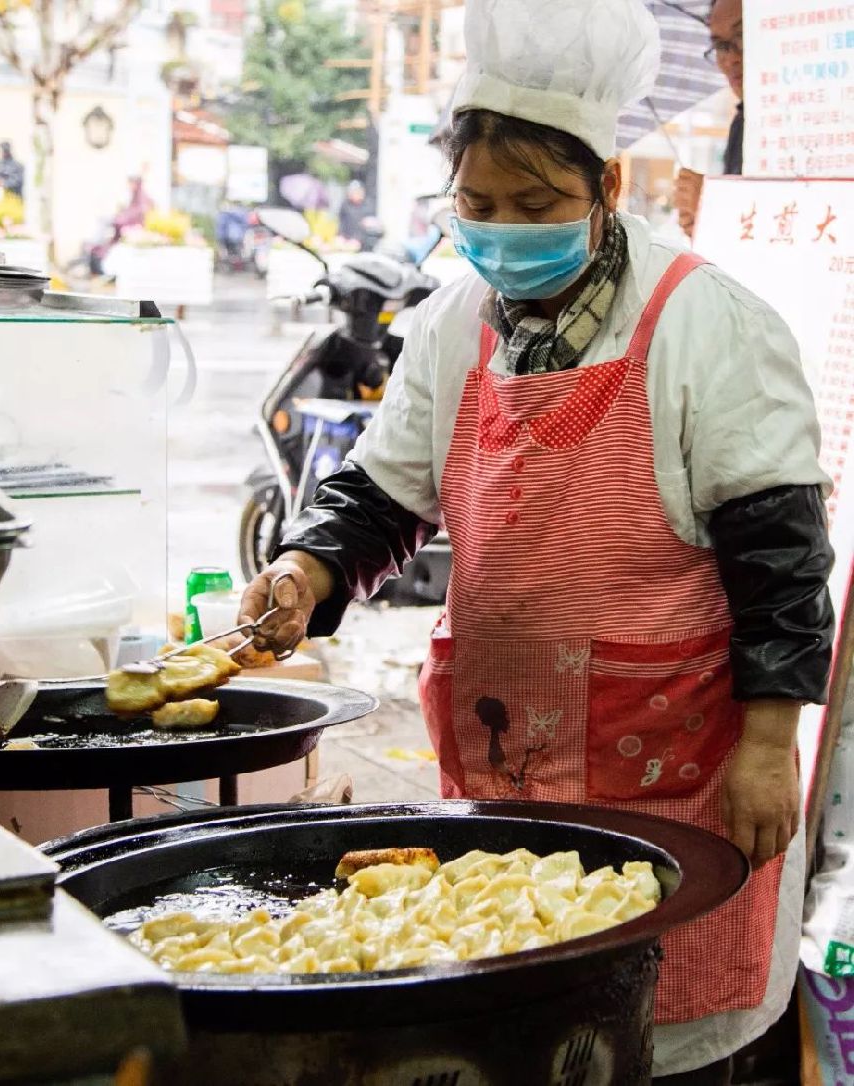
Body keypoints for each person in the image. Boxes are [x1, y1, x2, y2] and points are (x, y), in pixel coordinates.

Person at [239, 0, 834, 1081]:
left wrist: (764, 747)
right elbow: (382, 491)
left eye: (538, 201)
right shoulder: (450, 319)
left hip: (679, 775)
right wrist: (307, 565)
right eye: (478, 202)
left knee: (665, 1028)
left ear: (606, 186)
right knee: (530, 1021)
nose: (505, 227)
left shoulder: (708, 326)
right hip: (510, 767)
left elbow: (780, 562)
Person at [674, 0, 744, 239]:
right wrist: (705, 225)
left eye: (742, 36)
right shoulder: (742, 122)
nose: (729, 59)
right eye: (721, 47)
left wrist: (713, 202)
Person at [337, 180, 370, 247]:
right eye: (353, 192)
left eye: (358, 191)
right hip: (346, 241)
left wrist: (358, 239)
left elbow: (367, 227)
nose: (355, 194)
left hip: (362, 244)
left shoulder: (367, 206)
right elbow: (341, 223)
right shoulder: (345, 205)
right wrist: (341, 236)